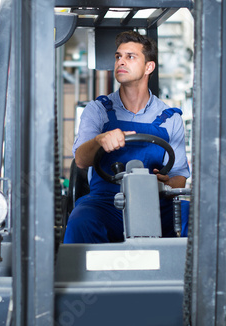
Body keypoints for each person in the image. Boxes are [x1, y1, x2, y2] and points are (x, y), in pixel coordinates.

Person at [63, 31, 190, 244]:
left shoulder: (170, 118)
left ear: (149, 67)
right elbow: (81, 160)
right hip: (106, 203)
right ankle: (83, 277)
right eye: (118, 56)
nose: (121, 61)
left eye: (130, 57)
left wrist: (167, 183)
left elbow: (179, 176)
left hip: (156, 203)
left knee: (198, 217)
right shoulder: (98, 110)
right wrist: (99, 141)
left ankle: (193, 277)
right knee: (80, 220)